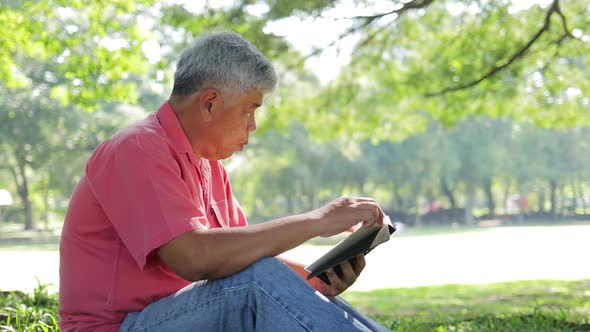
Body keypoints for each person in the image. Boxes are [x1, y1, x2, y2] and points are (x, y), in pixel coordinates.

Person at [59, 30, 391, 332]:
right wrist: (318, 220)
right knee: (254, 283)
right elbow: (195, 258)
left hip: (182, 315)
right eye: (250, 109)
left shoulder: (209, 166)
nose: (253, 126)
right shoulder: (136, 149)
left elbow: (243, 258)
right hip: (120, 327)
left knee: (257, 277)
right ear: (210, 104)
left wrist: (316, 279)